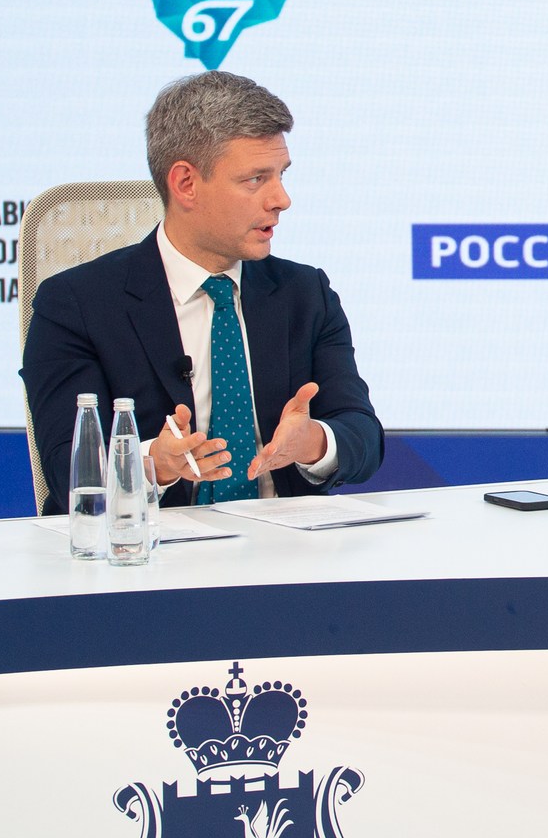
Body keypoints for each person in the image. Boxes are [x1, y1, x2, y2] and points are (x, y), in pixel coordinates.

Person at [21, 71, 383, 514]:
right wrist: (153, 464)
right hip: (148, 544)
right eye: (256, 179)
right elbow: (68, 471)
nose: (281, 199)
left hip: (283, 544)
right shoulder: (75, 305)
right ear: (186, 184)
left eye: (281, 175)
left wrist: (315, 442)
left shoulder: (305, 294)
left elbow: (363, 435)